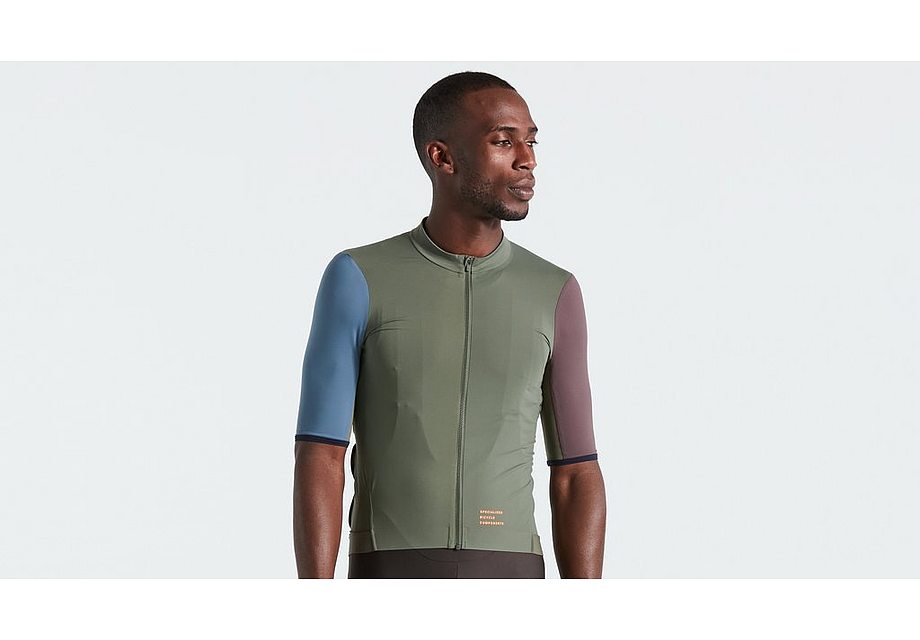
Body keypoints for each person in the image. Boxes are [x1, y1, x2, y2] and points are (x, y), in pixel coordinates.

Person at [292, 71, 606, 579]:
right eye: (503, 141)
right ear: (442, 157)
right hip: (389, 571)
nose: (527, 159)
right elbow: (320, 454)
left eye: (530, 142)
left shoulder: (554, 291)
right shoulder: (358, 278)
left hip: (512, 576)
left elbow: (576, 472)